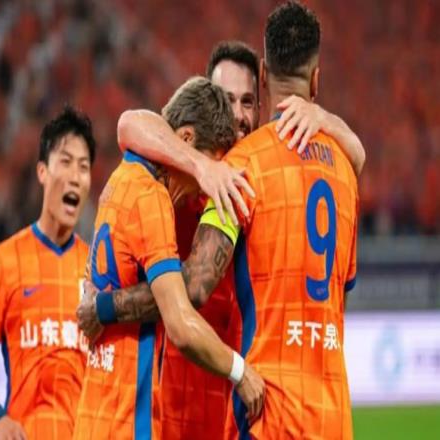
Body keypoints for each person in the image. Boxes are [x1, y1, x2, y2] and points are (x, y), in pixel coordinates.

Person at [83, 2, 360, 438]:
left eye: (247, 101)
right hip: (188, 412)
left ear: (264, 83)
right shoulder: (183, 176)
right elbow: (131, 124)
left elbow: (194, 285)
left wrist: (327, 120)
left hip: (251, 407)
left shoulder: (245, 172)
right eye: (225, 100)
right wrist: (200, 165)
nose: (236, 114)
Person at [73, 77, 264, 440]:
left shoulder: (119, 179)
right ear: (187, 140)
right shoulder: (153, 198)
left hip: (95, 413)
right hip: (128, 420)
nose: (200, 190)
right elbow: (181, 324)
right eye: (206, 173)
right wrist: (242, 373)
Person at [0, 106, 95, 440]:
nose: (75, 176)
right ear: (42, 172)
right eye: (66, 162)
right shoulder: (7, 259)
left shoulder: (96, 268)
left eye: (84, 167)